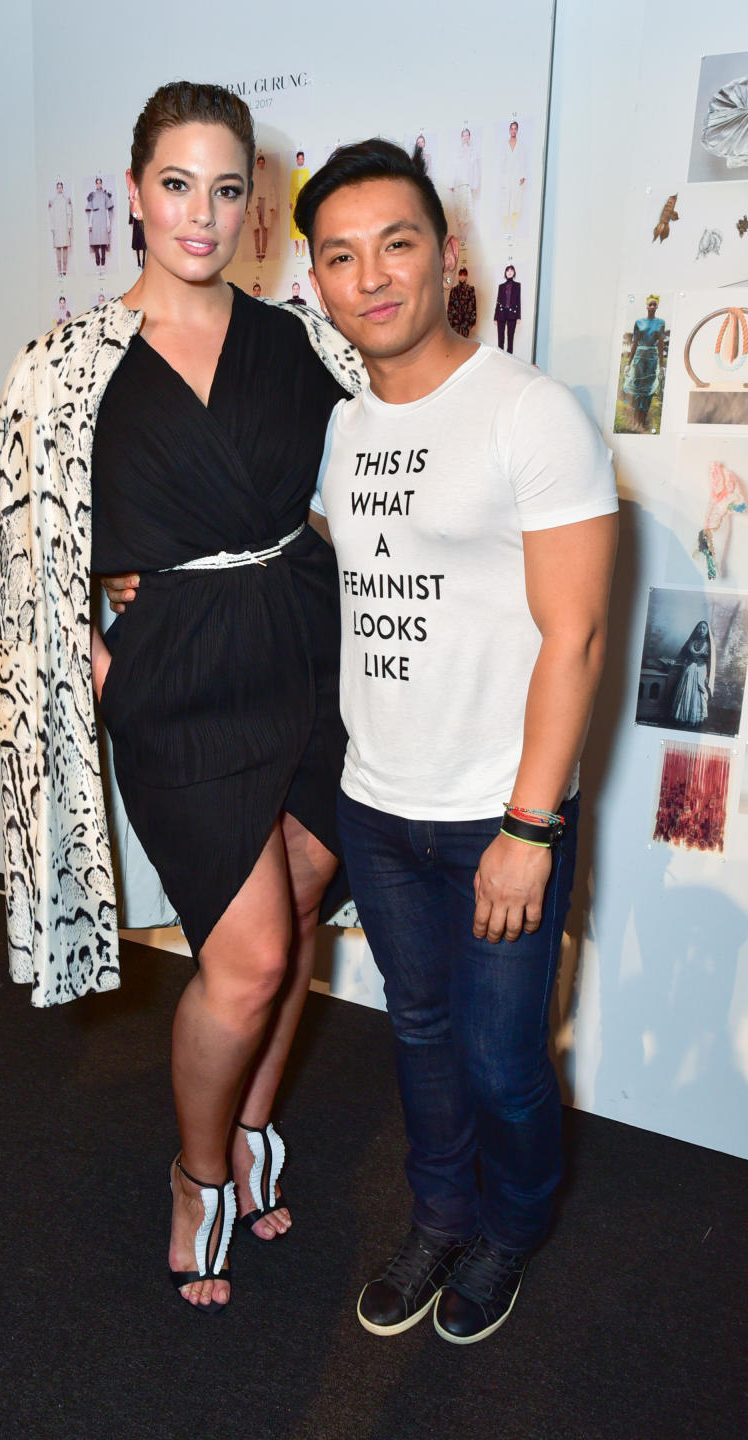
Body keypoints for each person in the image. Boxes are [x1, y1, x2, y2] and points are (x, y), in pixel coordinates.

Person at [0, 81, 365, 1316]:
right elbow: (21, 539)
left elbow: (391, 474)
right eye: (177, 184)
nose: (201, 210)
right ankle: (198, 1173)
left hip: (305, 649)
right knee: (242, 960)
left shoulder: (303, 340)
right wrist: (72, 636)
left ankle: (249, 1131)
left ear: (257, 208)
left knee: (298, 903)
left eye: (228, 187)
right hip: (181, 682)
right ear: (135, 194)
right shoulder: (64, 365)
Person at [292, 138, 618, 1344]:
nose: (371, 276)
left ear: (446, 255)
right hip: (377, 803)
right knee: (417, 1037)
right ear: (316, 278)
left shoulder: (531, 414)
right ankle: (440, 1214)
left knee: (501, 1063)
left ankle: (513, 1228)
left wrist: (530, 829)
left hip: (499, 812)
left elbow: (574, 636)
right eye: (341, 255)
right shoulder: (340, 431)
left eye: (398, 244)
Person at [621, 295, 666, 433]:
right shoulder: (639, 322)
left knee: (648, 391)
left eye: (654, 304)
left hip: (652, 358)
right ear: (646, 306)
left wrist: (661, 364)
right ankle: (635, 422)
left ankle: (642, 422)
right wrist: (629, 363)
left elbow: (661, 344)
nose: (652, 307)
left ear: (657, 306)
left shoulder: (661, 322)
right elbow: (634, 342)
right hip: (639, 357)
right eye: (650, 304)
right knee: (636, 390)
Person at [664, 621, 712, 727]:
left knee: (698, 694)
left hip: (701, 670)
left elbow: (710, 662)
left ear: (708, 631)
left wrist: (708, 675)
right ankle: (683, 716)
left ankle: (695, 718)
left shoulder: (709, 645)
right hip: (689, 669)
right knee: (686, 691)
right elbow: (682, 654)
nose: (701, 630)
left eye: (704, 628)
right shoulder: (691, 641)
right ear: (696, 629)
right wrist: (675, 661)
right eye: (699, 628)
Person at [448, 127, 479, 246]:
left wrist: (474, 185)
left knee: (467, 211)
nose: (465, 137)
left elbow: (475, 169)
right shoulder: (457, 152)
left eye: (467, 135)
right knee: (458, 210)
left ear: (469, 137)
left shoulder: (473, 152)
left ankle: (464, 235)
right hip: (458, 185)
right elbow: (453, 169)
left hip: (467, 185)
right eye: (463, 135)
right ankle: (460, 233)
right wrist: (451, 184)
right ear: (461, 137)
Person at [249, 152, 278, 264]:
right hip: (256, 202)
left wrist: (272, 205)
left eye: (262, 163)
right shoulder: (254, 177)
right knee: (256, 227)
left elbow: (272, 192)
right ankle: (257, 252)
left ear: (264, 164)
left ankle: (263, 251)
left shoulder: (268, 176)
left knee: (265, 227)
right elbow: (250, 193)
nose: (261, 165)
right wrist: (249, 208)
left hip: (265, 202)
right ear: (257, 164)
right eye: (259, 163)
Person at [500, 120, 527, 234]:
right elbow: (502, 162)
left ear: (517, 130)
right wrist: (502, 178)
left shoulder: (520, 145)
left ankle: (513, 229)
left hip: (516, 177)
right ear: (509, 130)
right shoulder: (505, 144)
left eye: (515, 128)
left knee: (516, 202)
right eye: (512, 128)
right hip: (507, 177)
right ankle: (506, 230)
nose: (513, 130)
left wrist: (523, 176)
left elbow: (523, 160)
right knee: (506, 202)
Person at [86, 175, 114, 268]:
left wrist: (108, 222)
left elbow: (108, 209)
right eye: (97, 183)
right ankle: (97, 264)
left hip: (103, 219)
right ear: (95, 184)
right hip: (95, 220)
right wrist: (89, 223)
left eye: (100, 183)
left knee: (103, 243)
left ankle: (103, 265)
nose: (98, 184)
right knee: (95, 243)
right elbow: (90, 210)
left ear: (101, 183)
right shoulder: (92, 195)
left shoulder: (105, 195)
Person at [494, 264, 521, 353]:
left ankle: (509, 360)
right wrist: (495, 317)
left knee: (510, 339)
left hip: (512, 314)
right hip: (501, 313)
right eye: (508, 270)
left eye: (511, 270)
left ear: (514, 273)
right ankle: (500, 358)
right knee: (500, 339)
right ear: (505, 273)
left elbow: (518, 301)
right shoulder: (501, 286)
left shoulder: (517, 285)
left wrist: (518, 316)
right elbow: (498, 302)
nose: (509, 272)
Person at [290, 149, 311, 258]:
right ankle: (297, 246)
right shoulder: (293, 173)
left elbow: (308, 187)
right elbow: (292, 187)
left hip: (303, 198)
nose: (300, 161)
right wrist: (290, 201)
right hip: (294, 199)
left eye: (302, 159)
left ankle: (303, 246)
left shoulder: (306, 172)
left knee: (302, 220)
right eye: (299, 159)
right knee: (294, 222)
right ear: (296, 160)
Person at [49, 180, 72, 277]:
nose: (59, 189)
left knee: (65, 247)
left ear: (62, 188)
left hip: (64, 226)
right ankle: (59, 270)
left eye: (60, 187)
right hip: (57, 227)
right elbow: (51, 215)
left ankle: (64, 269)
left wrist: (69, 226)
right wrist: (52, 227)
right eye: (58, 187)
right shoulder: (53, 201)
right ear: (56, 189)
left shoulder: (66, 199)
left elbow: (69, 213)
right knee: (58, 248)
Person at [446, 265, 476, 337]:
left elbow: (473, 306)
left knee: (464, 342)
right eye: (461, 275)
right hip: (455, 320)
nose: (462, 277)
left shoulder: (470, 289)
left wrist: (472, 321)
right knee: (454, 340)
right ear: (458, 276)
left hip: (466, 321)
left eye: (464, 275)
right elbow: (450, 306)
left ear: (466, 276)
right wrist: (450, 320)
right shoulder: (454, 290)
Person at [128, 202, 146, 268]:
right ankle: (138, 262)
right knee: (137, 243)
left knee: (144, 243)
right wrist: (131, 220)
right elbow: (131, 211)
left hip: (143, 223)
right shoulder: (133, 202)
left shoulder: (144, 200)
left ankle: (143, 262)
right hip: (136, 223)